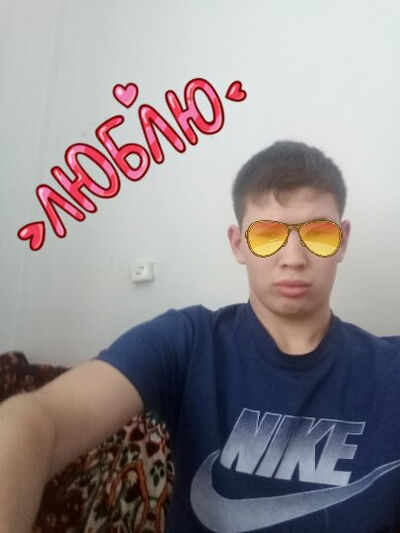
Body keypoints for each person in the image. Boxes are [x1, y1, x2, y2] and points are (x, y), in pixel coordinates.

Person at [1, 140, 400, 532]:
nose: (293, 258)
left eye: (318, 235)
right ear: (238, 244)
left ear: (342, 241)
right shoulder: (187, 343)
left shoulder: (390, 370)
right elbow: (38, 421)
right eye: (267, 236)